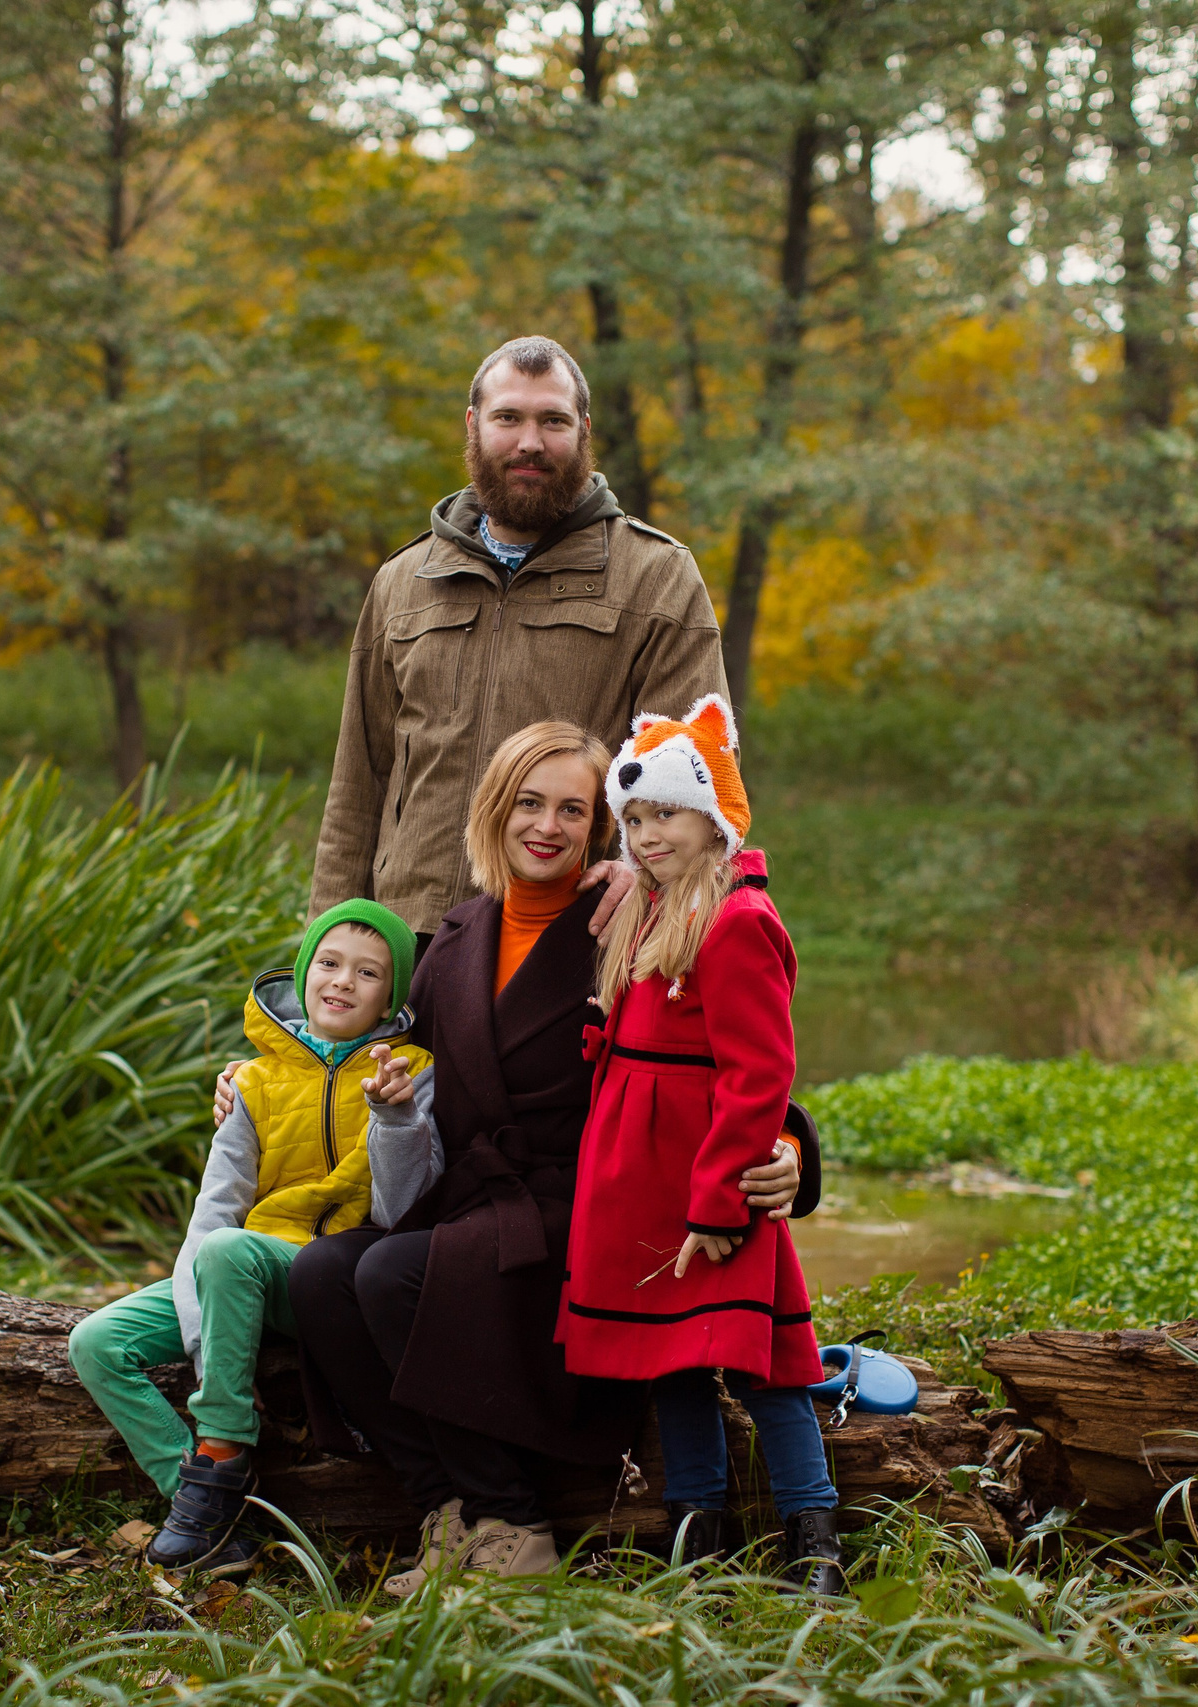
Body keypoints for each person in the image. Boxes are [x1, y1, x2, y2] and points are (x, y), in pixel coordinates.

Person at [280, 722, 810, 1594]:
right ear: (495, 810)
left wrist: (789, 1147)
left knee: (392, 1277)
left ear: (600, 826)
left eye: (572, 808)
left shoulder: (629, 922)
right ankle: (448, 1508)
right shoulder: (453, 940)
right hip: (476, 1193)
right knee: (323, 1277)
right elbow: (360, 1039)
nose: (549, 826)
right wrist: (257, 1074)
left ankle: (514, 1521)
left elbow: (730, 1061)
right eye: (530, 802)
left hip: (585, 1208)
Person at [558, 695, 843, 1596]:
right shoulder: (649, 911)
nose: (646, 835)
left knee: (768, 1363)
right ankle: (696, 1529)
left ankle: (814, 1538)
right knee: (667, 1358)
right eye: (633, 817)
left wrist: (722, 1202)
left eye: (666, 814)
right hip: (640, 1179)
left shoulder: (736, 921)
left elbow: (759, 1075)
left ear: (714, 816)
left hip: (702, 1176)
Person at [309, 335, 726, 938]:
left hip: (570, 940)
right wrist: (329, 937)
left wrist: (640, 875)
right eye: (509, 417)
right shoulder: (403, 581)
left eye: (552, 420)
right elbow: (358, 781)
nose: (530, 441)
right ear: (474, 426)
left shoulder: (657, 577)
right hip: (408, 938)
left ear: (583, 431)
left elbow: (701, 774)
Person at [67, 900, 437, 1575]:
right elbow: (214, 1213)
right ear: (302, 973)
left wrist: (395, 1115)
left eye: (368, 972)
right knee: (95, 1342)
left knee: (230, 1253)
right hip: (238, 1270)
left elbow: (400, 1209)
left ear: (393, 994)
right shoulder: (255, 1079)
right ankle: (208, 1505)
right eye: (328, 962)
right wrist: (207, 1341)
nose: (342, 981)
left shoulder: (407, 1069)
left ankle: (224, 1446)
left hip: (329, 1278)